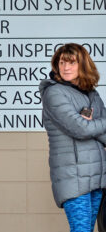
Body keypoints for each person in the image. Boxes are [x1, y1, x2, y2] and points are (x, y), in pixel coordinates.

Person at [39, 43, 106, 232]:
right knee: (81, 229)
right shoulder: (54, 93)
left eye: (72, 63)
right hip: (73, 176)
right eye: (62, 62)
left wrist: (91, 125)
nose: (66, 68)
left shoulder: (92, 94)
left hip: (97, 176)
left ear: (83, 65)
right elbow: (80, 129)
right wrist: (92, 125)